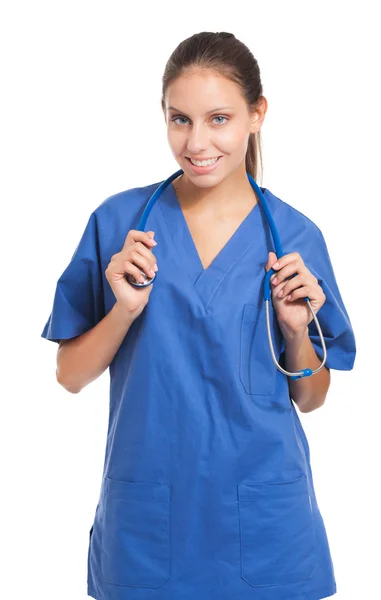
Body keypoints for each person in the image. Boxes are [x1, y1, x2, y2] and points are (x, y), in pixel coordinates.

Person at [41, 31, 356, 600]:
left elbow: (312, 397)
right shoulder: (119, 226)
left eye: (218, 118)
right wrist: (123, 312)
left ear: (256, 115)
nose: (196, 141)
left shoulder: (294, 238)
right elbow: (69, 375)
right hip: (148, 519)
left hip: (266, 521)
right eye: (179, 119)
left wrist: (295, 333)